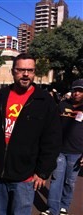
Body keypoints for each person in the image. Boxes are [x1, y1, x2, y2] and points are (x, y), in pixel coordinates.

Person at [0, 53, 62, 215]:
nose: (25, 74)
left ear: (34, 72)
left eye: (30, 70)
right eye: (21, 70)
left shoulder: (45, 101)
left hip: (25, 175)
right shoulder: (0, 96)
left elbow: (52, 140)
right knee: (0, 211)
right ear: (13, 71)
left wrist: (43, 171)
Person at [41, 79, 83, 215]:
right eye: (75, 90)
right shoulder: (62, 105)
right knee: (56, 179)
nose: (77, 93)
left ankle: (64, 206)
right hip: (59, 151)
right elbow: (53, 127)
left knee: (69, 181)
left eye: (80, 91)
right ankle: (52, 209)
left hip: (77, 153)